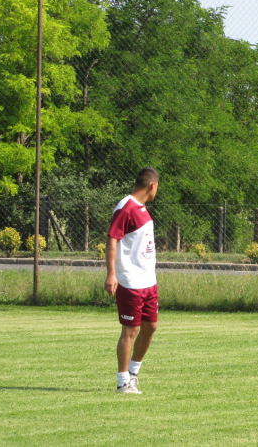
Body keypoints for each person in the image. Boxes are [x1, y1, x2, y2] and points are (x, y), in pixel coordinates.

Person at [104, 167, 160, 394]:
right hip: (131, 282)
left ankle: (133, 373)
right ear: (152, 186)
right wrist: (111, 274)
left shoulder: (142, 209)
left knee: (151, 327)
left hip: (149, 282)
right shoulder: (126, 207)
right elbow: (112, 239)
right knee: (130, 330)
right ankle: (122, 382)